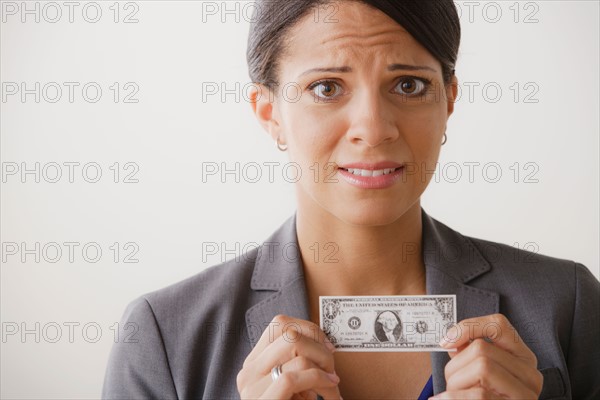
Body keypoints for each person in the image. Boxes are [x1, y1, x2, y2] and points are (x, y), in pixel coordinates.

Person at [101, 1, 600, 399]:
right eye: (326, 87)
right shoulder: (162, 335)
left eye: (408, 85)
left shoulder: (566, 304)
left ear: (448, 100)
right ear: (269, 111)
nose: (373, 129)